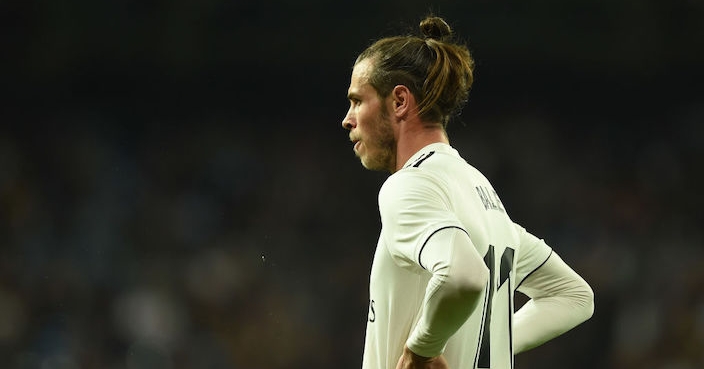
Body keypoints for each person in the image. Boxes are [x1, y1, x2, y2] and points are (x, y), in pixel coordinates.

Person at [341, 15, 595, 369]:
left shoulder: (408, 184)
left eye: (357, 101)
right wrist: (491, 347)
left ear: (399, 101)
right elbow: (573, 296)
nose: (348, 119)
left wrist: (422, 350)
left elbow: (462, 276)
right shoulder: (484, 197)